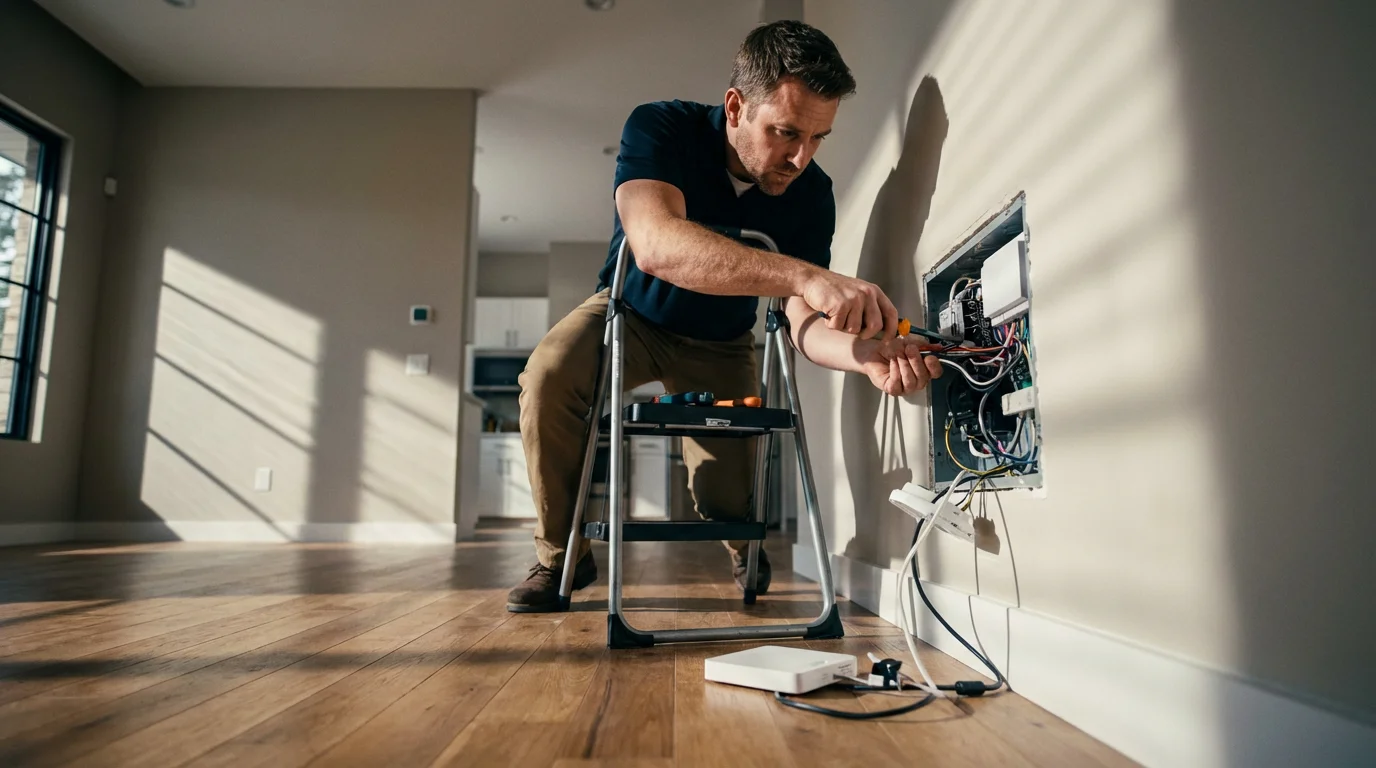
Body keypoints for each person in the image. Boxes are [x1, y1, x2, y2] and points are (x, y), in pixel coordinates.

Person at [506, 20, 942, 613]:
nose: (800, 156)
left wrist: (862, 357)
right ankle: (562, 556)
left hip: (721, 342)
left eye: (818, 139)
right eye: (786, 132)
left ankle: (744, 547)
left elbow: (801, 321)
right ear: (736, 106)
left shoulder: (812, 194)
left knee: (725, 497)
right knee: (547, 377)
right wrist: (805, 274)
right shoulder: (661, 127)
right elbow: (657, 244)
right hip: (628, 312)